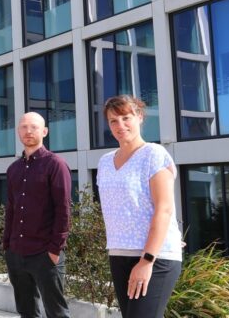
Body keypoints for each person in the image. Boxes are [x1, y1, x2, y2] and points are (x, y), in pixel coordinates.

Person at [95, 95, 183, 318]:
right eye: (113, 120)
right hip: (119, 252)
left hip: (155, 256)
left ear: (140, 117)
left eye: (126, 118)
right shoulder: (105, 161)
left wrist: (147, 259)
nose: (120, 125)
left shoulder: (154, 154)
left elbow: (164, 208)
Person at [3, 112, 73, 317]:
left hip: (45, 253)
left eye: (34, 127)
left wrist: (55, 249)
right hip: (16, 252)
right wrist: (7, 245)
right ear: (18, 132)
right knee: (26, 312)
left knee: (57, 313)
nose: (28, 131)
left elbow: (64, 210)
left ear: (44, 131)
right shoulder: (13, 169)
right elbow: (11, 209)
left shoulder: (55, 165)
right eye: (24, 127)